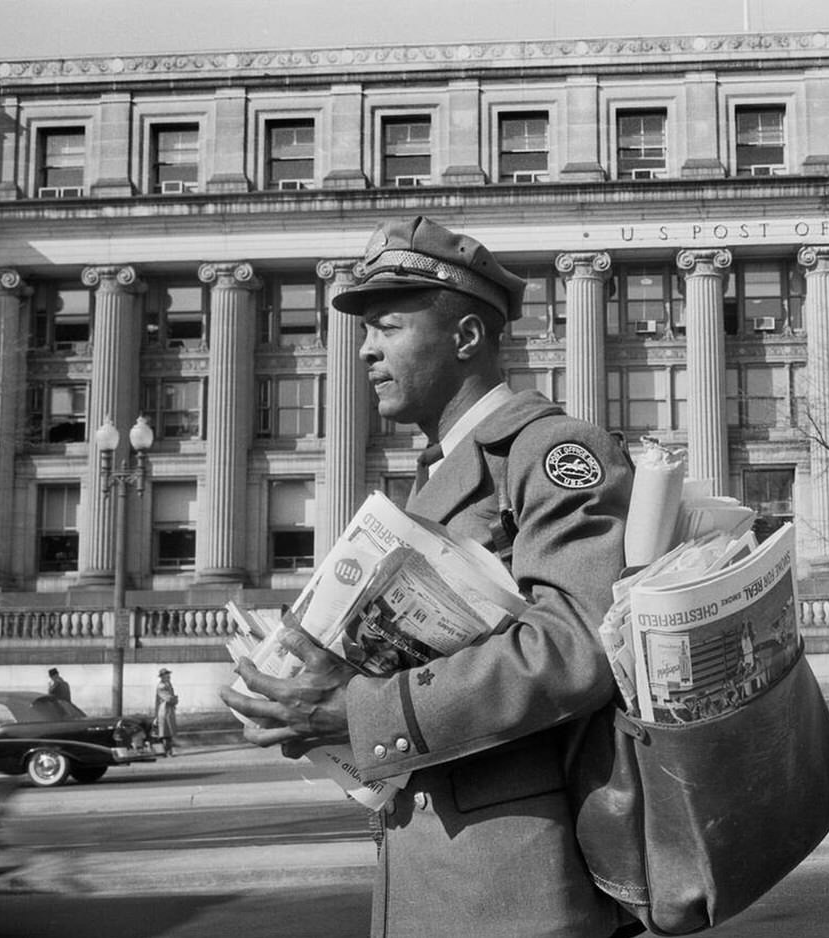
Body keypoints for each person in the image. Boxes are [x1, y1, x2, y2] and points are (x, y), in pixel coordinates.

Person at [222, 216, 636, 938]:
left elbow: (578, 649)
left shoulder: (553, 451)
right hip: (446, 876)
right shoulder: (441, 468)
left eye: (386, 326)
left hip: (516, 890)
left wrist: (357, 712)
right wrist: (309, 703)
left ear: (466, 338)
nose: (365, 351)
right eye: (365, 331)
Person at [154, 668, 178, 757]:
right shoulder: (161, 686)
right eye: (166, 674)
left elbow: (171, 698)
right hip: (164, 711)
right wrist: (175, 699)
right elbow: (168, 698)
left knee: (169, 732)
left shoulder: (168, 684)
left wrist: (174, 699)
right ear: (162, 676)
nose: (169, 676)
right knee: (165, 732)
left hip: (168, 710)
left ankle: (169, 751)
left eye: (168, 674)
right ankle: (165, 751)